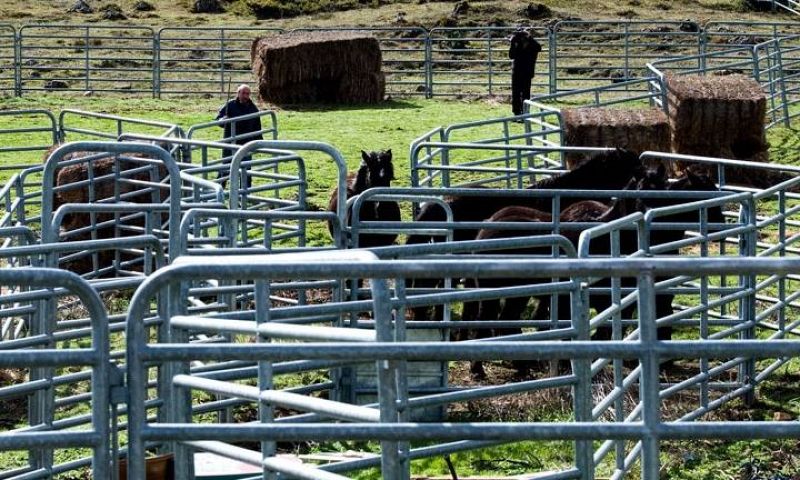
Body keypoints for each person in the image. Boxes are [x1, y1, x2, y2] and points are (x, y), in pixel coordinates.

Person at [215, 84, 263, 188]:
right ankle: (218, 190)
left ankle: (245, 193)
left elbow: (257, 127)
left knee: (246, 169)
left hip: (246, 144)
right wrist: (222, 120)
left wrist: (259, 142)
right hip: (230, 143)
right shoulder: (230, 105)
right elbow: (218, 120)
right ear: (238, 93)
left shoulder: (253, 109)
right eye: (243, 93)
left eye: (248, 94)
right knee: (226, 167)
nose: (246, 96)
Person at [508, 29, 542, 117]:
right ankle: (517, 112)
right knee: (516, 93)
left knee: (525, 93)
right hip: (517, 71)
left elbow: (539, 48)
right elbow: (511, 55)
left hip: (527, 71)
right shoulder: (517, 43)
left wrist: (529, 38)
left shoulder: (532, 45)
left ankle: (525, 111)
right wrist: (513, 43)